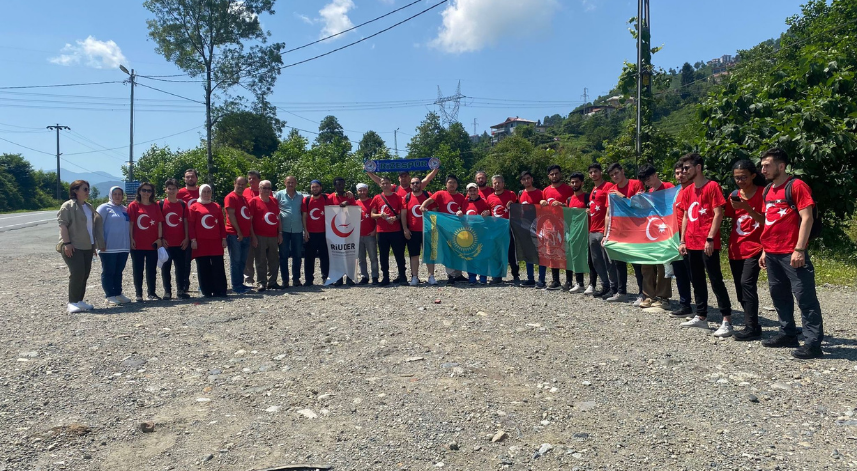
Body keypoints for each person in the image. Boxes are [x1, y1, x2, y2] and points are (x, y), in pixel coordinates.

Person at [758, 148, 824, 359]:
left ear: (781, 166)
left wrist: (800, 249)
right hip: (772, 252)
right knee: (779, 295)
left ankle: (813, 343)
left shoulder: (796, 186)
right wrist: (764, 250)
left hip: (792, 252)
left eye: (767, 165)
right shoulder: (767, 190)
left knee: (805, 297)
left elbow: (807, 218)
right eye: (762, 165)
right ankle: (787, 334)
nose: (763, 169)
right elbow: (769, 221)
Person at [676, 153, 733, 335]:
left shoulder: (712, 186)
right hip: (691, 242)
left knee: (715, 280)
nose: (684, 171)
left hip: (707, 242)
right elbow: (685, 215)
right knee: (697, 280)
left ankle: (727, 321)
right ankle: (701, 317)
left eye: (687, 168)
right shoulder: (687, 191)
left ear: (698, 167)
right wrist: (683, 240)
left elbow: (718, 213)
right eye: (682, 168)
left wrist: (710, 237)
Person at [725, 160, 765, 341]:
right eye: (736, 178)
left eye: (744, 177)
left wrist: (746, 207)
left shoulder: (763, 194)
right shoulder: (733, 195)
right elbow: (728, 216)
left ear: (753, 176)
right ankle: (753, 323)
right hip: (736, 247)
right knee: (740, 288)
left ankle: (751, 326)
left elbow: (765, 221)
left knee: (747, 284)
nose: (740, 181)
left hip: (756, 247)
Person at [58, 180, 104, 313]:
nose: (87, 192)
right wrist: (67, 244)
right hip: (73, 245)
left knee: (85, 274)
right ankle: (72, 302)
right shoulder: (68, 206)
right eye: (84, 189)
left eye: (88, 189)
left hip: (87, 246)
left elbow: (91, 228)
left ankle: (79, 301)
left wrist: (94, 246)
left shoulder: (89, 207)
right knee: (77, 273)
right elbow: (63, 225)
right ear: (75, 191)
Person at [603, 163, 645, 302]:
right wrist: (605, 234)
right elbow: (608, 213)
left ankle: (642, 293)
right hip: (618, 230)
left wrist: (623, 197)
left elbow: (641, 206)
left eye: (616, 173)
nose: (615, 176)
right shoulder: (611, 190)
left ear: (623, 170)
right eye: (612, 175)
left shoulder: (636, 184)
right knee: (618, 262)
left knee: (637, 263)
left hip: (635, 229)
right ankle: (622, 292)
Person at [637, 165, 674, 308]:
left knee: (663, 265)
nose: (648, 183)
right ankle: (648, 295)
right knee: (647, 265)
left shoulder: (669, 187)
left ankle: (663, 297)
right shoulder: (649, 193)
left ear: (655, 175)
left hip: (665, 231)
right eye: (645, 181)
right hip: (651, 231)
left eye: (648, 179)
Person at [420, 175, 467, 285]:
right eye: (450, 182)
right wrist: (423, 206)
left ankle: (458, 274)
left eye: (454, 182)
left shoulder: (461, 197)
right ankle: (451, 275)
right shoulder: (440, 194)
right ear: (446, 184)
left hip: (457, 228)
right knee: (448, 251)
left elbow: (464, 211)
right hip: (444, 228)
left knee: (458, 250)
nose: (452, 184)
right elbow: (429, 200)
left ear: (457, 184)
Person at [188, 184, 228, 297]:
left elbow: (221, 223)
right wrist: (193, 240)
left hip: (215, 241)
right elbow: (191, 225)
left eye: (208, 191)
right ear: (200, 193)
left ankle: (220, 290)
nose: (206, 194)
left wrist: (224, 238)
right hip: (201, 242)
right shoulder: (194, 207)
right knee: (203, 267)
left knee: (218, 266)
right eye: (204, 191)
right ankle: (206, 291)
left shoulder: (216, 206)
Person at [540, 165, 575, 290]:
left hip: (565, 224)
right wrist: (541, 203)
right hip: (550, 226)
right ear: (549, 176)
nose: (554, 176)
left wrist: (562, 204)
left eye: (556, 173)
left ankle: (569, 280)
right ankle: (555, 280)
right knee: (552, 252)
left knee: (566, 253)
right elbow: (542, 207)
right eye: (552, 174)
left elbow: (573, 205)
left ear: (560, 174)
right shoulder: (545, 191)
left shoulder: (568, 189)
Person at [128, 182, 163, 302]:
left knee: (151, 269)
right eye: (144, 190)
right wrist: (131, 239)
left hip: (152, 242)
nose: (146, 193)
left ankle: (151, 293)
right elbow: (131, 224)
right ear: (139, 191)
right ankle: (138, 294)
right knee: (138, 269)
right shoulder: (133, 206)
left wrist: (159, 238)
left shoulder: (155, 205)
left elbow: (159, 223)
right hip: (137, 242)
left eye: (149, 191)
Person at [96, 186, 131, 305]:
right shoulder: (104, 208)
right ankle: (109, 295)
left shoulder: (125, 209)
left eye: (119, 194)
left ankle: (118, 293)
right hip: (108, 247)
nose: (117, 196)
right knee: (108, 271)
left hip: (123, 246)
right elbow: (97, 226)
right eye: (115, 194)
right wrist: (100, 243)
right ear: (110, 195)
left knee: (118, 271)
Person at [371, 176, 408, 286]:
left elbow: (402, 212)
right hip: (382, 231)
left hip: (395, 230)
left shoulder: (397, 197)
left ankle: (402, 276)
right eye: (383, 183)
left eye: (387, 183)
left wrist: (396, 218)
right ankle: (385, 277)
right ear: (380, 185)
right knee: (383, 255)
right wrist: (380, 215)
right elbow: (372, 215)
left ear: (391, 184)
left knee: (399, 254)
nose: (385, 185)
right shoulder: (377, 198)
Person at [669, 161, 695, 318]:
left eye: (683, 172)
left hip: (692, 238)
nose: (680, 175)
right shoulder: (675, 192)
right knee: (680, 273)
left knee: (694, 274)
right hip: (676, 238)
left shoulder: (695, 190)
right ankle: (685, 304)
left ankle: (701, 307)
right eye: (677, 173)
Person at [587, 163, 617, 298]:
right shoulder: (593, 189)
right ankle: (604, 285)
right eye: (591, 172)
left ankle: (614, 287)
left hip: (603, 230)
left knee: (608, 261)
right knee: (596, 260)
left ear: (601, 172)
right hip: (592, 229)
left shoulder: (609, 186)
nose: (593, 174)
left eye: (596, 171)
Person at [402, 176, 436, 285]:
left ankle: (431, 276)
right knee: (414, 255)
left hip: (427, 230)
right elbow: (403, 214)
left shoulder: (428, 195)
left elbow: (435, 210)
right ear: (410, 185)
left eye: (417, 183)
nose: (415, 185)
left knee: (429, 254)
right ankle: (415, 277)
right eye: (413, 183)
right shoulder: (406, 197)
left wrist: (434, 226)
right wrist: (405, 229)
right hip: (413, 231)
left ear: (420, 184)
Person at [486, 175, 520, 284]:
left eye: (499, 182)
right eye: (495, 183)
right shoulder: (489, 197)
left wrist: (513, 205)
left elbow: (519, 208)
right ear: (492, 185)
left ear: (503, 183)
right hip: (495, 229)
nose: (497, 185)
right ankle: (497, 275)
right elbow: (488, 211)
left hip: (509, 228)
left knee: (511, 253)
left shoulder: (511, 194)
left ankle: (515, 275)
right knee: (496, 253)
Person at [160, 179, 191, 299]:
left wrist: (187, 238)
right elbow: (159, 223)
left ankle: (180, 290)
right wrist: (161, 238)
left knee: (181, 267)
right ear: (165, 190)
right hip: (166, 242)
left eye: (174, 188)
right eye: (169, 188)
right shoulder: (161, 204)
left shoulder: (182, 204)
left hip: (180, 241)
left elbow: (185, 222)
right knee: (166, 268)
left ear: (178, 190)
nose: (171, 191)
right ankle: (167, 291)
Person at [565, 172, 595, 293]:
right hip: (574, 232)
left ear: (582, 183)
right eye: (572, 182)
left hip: (587, 232)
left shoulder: (587, 197)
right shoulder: (569, 200)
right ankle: (579, 283)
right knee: (576, 257)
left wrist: (589, 211)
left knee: (590, 259)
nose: (574, 184)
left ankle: (592, 284)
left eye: (577, 182)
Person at [250, 180, 282, 291]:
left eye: (269, 188)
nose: (267, 190)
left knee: (274, 260)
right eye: (264, 188)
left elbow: (278, 218)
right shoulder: (253, 201)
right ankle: (261, 282)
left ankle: (272, 282)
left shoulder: (274, 201)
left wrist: (280, 233)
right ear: (259, 189)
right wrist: (253, 236)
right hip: (259, 235)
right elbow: (250, 221)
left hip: (273, 235)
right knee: (260, 260)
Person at [224, 177, 254, 294]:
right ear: (234, 183)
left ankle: (240, 283)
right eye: (239, 184)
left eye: (243, 184)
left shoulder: (244, 199)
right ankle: (236, 286)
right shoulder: (230, 197)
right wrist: (239, 232)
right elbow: (231, 216)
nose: (241, 186)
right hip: (235, 234)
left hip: (245, 235)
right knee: (235, 261)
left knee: (242, 261)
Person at [518, 171, 547, 288]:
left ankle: (542, 279)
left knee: (541, 253)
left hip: (539, 226)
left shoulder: (540, 193)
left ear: (532, 179)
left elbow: (546, 208)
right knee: (528, 253)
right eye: (524, 179)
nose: (526, 181)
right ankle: (530, 278)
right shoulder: (520, 194)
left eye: (528, 178)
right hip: (525, 226)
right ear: (521, 181)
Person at [458, 183, 491, 285]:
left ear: (477, 191)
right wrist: (459, 214)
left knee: (482, 255)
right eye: (470, 191)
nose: (472, 193)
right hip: (469, 233)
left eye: (474, 190)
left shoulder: (483, 202)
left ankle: (483, 277)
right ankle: (472, 277)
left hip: (481, 233)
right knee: (470, 255)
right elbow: (463, 215)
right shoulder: (465, 202)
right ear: (467, 192)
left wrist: (488, 213)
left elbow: (489, 213)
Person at [275, 176, 304, 287]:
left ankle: (296, 279)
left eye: (292, 182)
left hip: (297, 229)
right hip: (284, 230)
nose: (290, 184)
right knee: (283, 256)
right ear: (284, 183)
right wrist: (278, 231)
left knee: (297, 255)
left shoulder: (300, 196)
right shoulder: (279, 195)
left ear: (296, 183)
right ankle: (285, 280)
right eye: (288, 182)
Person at [328, 176, 358, 286]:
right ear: (335, 186)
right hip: (335, 231)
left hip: (348, 229)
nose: (341, 186)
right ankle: (338, 277)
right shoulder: (330, 197)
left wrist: (348, 204)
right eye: (338, 184)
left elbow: (356, 210)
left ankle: (350, 277)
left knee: (350, 254)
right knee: (337, 255)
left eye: (342, 184)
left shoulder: (350, 196)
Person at [302, 180, 331, 286]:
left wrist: (348, 193)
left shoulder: (326, 198)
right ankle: (309, 280)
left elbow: (338, 195)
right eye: (313, 187)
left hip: (324, 233)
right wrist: (305, 231)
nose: (315, 189)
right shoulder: (307, 200)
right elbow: (304, 216)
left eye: (317, 187)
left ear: (321, 188)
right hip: (311, 233)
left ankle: (325, 277)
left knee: (325, 257)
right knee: (309, 258)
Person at [176, 168, 200, 292]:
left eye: (192, 177)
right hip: (185, 231)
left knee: (203, 259)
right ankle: (184, 285)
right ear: (184, 179)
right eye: (187, 177)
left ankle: (205, 284)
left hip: (201, 230)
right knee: (185, 261)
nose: (190, 179)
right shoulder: (179, 193)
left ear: (196, 178)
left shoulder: (202, 191)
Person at [355, 183, 380, 285]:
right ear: (357, 191)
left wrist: (375, 230)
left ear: (367, 190)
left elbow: (377, 218)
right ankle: (364, 276)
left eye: (364, 190)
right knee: (361, 258)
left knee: (373, 257)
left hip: (370, 234)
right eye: (360, 190)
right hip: (358, 235)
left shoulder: (372, 202)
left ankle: (375, 276)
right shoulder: (355, 203)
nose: (362, 192)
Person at [243, 170, 262, 287]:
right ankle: (248, 279)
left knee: (261, 256)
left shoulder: (266, 191)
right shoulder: (244, 191)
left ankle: (262, 279)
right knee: (248, 256)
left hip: (261, 228)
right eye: (249, 179)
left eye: (253, 178)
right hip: (247, 228)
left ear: (259, 180)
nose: (251, 181)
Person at [367, 168, 439, 197]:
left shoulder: (415, 186)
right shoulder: (394, 188)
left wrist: (436, 169)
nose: (403, 178)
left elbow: (427, 179)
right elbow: (381, 181)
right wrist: (369, 172)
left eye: (405, 176)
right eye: (402, 176)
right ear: (399, 178)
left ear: (409, 178)